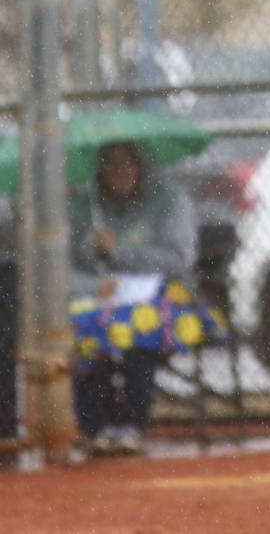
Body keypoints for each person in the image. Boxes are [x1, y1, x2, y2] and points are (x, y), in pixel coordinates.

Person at [69, 141, 197, 455]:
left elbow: (178, 259)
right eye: (111, 164)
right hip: (100, 297)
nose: (120, 172)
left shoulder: (170, 200)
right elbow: (65, 266)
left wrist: (119, 251)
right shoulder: (86, 207)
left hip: (159, 294)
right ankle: (95, 426)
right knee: (85, 327)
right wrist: (91, 280)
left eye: (128, 163)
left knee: (140, 327)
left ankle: (131, 424)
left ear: (142, 166)